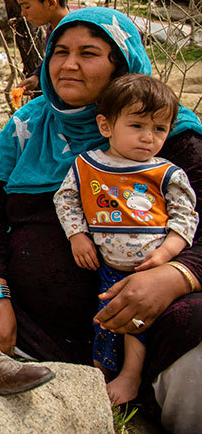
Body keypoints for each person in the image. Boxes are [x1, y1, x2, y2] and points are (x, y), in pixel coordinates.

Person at [0, 8, 202, 433]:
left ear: (122, 63)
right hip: (37, 316)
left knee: (196, 323)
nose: (68, 64)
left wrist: (174, 277)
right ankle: (70, 367)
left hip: (140, 307)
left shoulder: (167, 132)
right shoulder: (28, 123)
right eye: (59, 52)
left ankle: (141, 385)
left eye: (89, 53)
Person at [54, 74, 197, 405]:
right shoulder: (87, 165)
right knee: (105, 321)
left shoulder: (166, 173)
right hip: (108, 266)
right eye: (137, 126)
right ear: (106, 126)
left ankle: (131, 378)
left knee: (136, 324)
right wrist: (78, 236)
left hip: (151, 269)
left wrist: (167, 255)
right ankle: (99, 375)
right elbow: (66, 200)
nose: (148, 138)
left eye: (159, 129)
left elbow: (186, 216)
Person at [14, 0, 71, 95]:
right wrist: (37, 77)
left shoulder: (75, 32)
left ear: (51, 3)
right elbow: (51, 59)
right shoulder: (54, 28)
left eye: (27, 7)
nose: (23, 13)